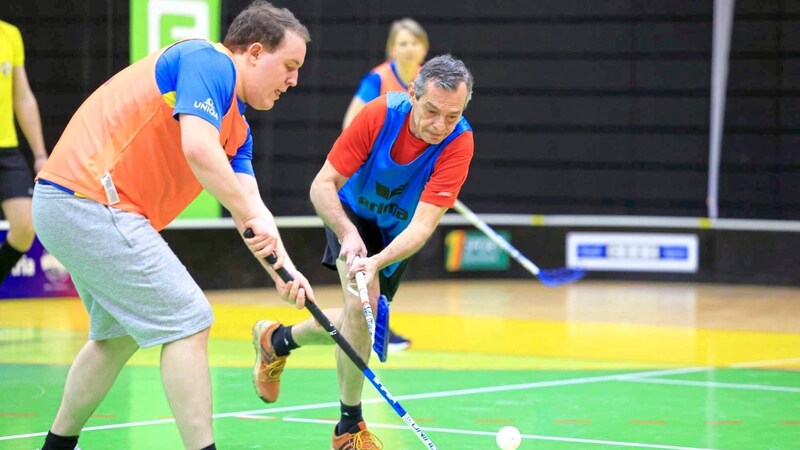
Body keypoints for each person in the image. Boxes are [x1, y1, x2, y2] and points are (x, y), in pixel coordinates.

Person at [32, 2, 315, 449]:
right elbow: (199, 151)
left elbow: (252, 212)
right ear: (256, 52)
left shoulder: (238, 128)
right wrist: (253, 220)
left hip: (75, 206)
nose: (294, 80)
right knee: (190, 321)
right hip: (90, 200)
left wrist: (285, 273)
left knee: (117, 337)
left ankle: (56, 445)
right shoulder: (209, 60)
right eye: (290, 66)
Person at [252, 54, 474, 449]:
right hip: (350, 212)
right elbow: (321, 185)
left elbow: (423, 226)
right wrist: (348, 232)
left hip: (397, 233)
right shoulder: (379, 115)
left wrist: (376, 261)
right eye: (432, 111)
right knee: (360, 307)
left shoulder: (458, 143)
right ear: (412, 95)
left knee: (361, 323)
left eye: (452, 116)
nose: (440, 125)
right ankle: (348, 428)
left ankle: (278, 340)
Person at [342, 18, 430, 351]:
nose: (409, 48)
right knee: (371, 256)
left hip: (405, 184)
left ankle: (379, 325)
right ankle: (375, 326)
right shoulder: (377, 78)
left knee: (391, 257)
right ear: (392, 48)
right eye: (402, 43)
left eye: (415, 42)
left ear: (424, 47)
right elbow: (352, 122)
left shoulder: (429, 79)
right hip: (368, 182)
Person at [0, 20, 48, 283]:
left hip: (6, 150)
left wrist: (39, 154)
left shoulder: (10, 34)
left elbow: (23, 97)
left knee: (24, 227)